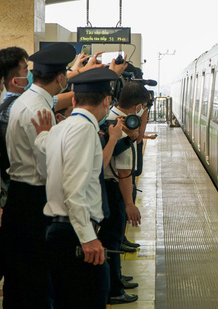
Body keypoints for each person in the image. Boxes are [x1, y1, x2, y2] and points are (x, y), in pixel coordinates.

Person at [33, 67, 120, 309]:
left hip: (58, 232)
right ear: (106, 100)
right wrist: (88, 238)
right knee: (89, 298)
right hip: (74, 235)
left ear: (73, 99)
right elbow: (74, 188)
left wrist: (41, 136)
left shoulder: (61, 128)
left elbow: (44, 149)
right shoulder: (84, 130)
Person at [1, 42, 76, 309]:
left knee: (19, 277)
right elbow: (47, 168)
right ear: (60, 78)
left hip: (20, 196)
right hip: (34, 199)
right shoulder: (39, 110)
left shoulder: (28, 100)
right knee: (36, 279)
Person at [101, 82, 150, 305]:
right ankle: (114, 290)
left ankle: (117, 278)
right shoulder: (118, 126)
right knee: (112, 242)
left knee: (115, 239)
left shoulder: (118, 120)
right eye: (143, 108)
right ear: (138, 105)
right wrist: (129, 203)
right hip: (114, 190)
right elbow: (123, 172)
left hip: (113, 189)